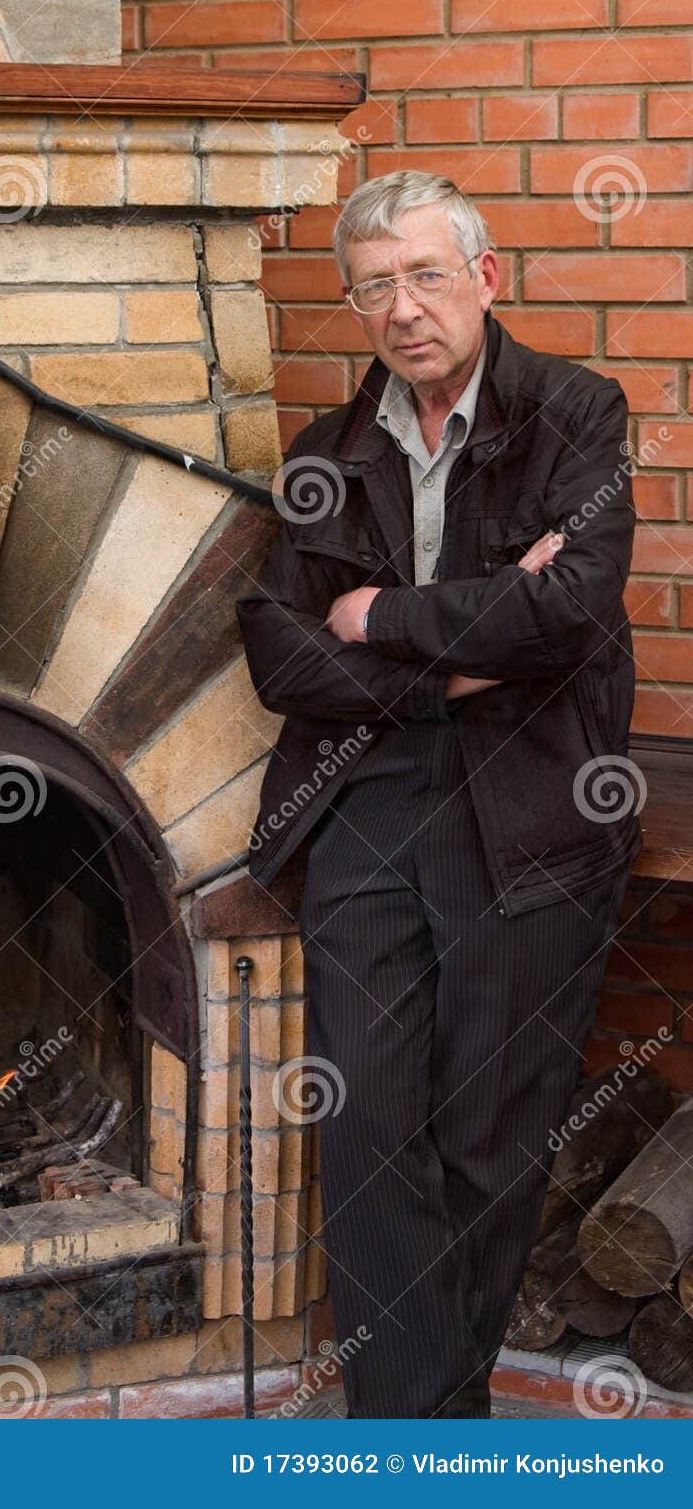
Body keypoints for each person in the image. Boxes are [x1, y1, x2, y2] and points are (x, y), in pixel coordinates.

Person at [236, 170, 643, 1418]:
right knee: (364, 1126)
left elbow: (566, 613)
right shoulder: (328, 452)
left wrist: (379, 618)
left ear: (482, 277)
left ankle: (429, 1424)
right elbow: (277, 651)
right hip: (366, 794)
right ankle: (412, 1430)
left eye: (423, 275)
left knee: (485, 1135)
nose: (401, 309)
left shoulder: (574, 413)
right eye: (372, 288)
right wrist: (455, 659)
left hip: (530, 802)